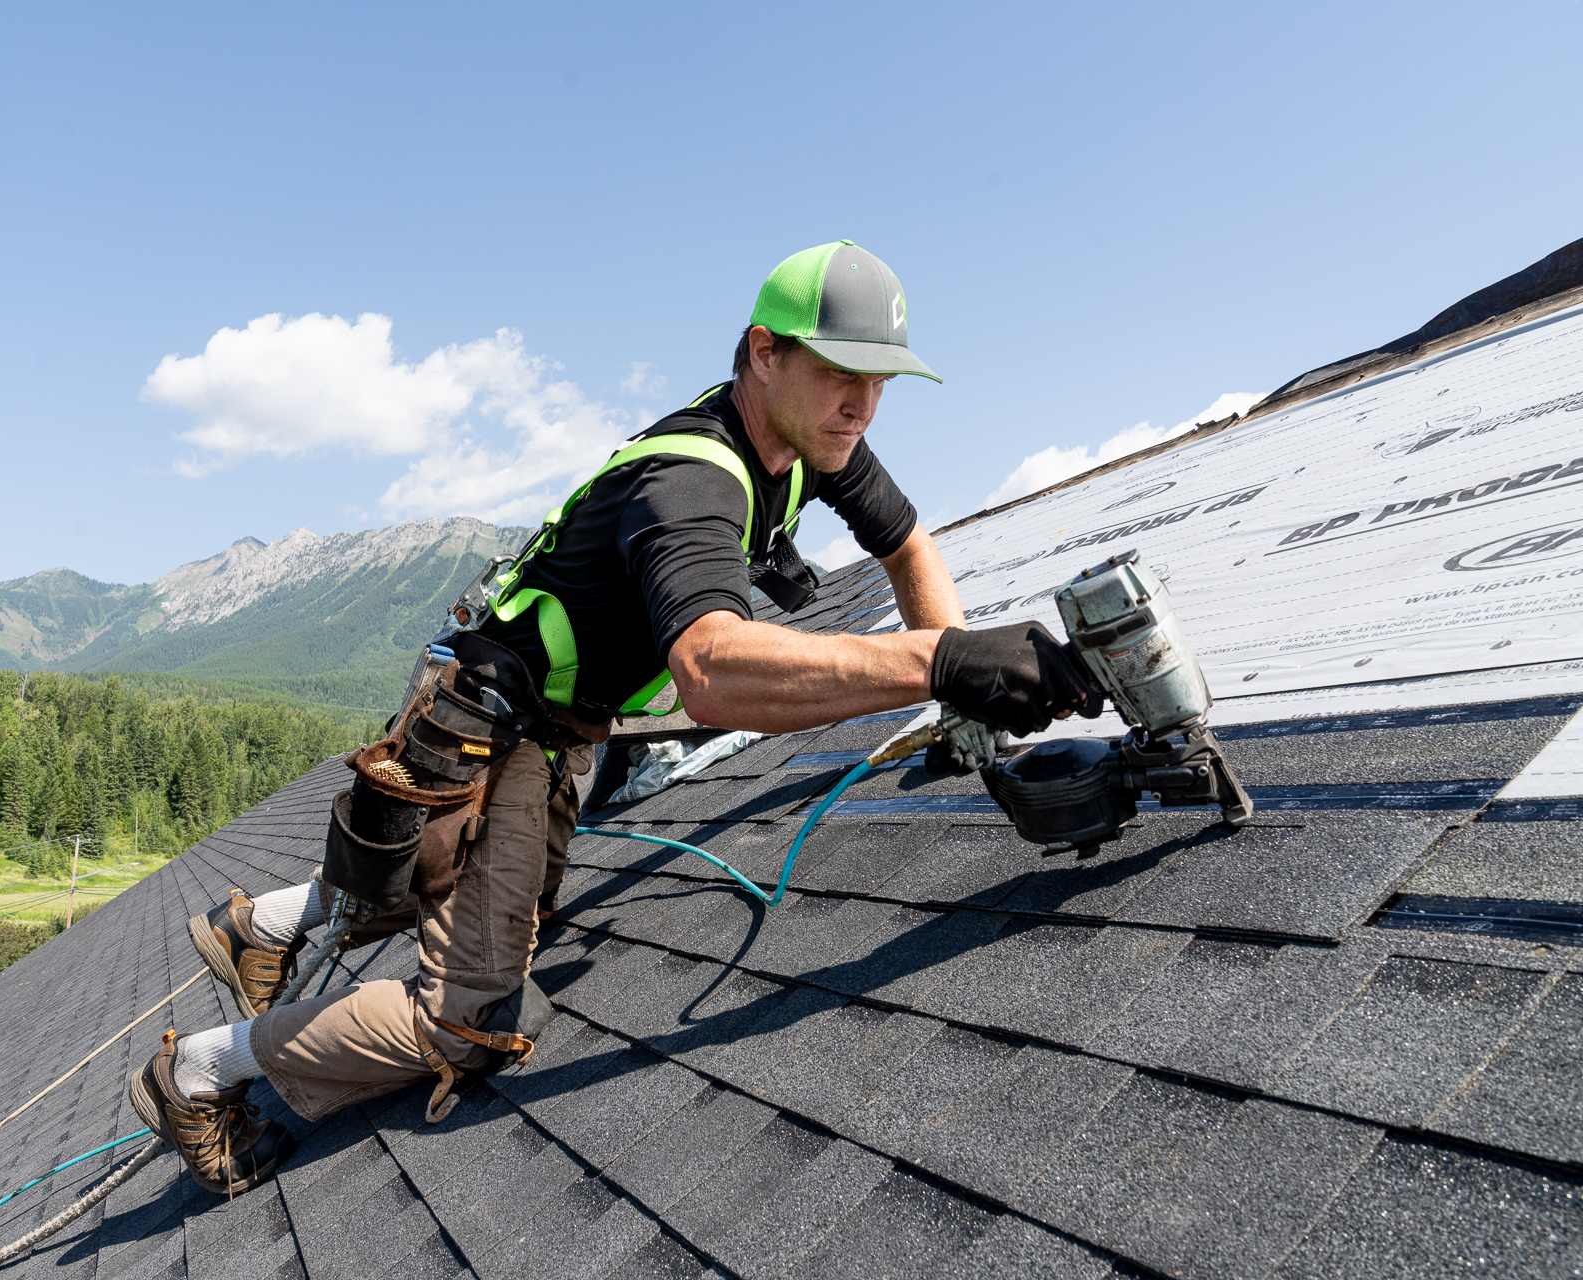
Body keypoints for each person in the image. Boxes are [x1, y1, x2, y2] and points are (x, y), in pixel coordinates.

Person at [128, 241, 1100, 1193]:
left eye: (881, 381)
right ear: (765, 351)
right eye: (844, 373)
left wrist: (964, 698)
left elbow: (910, 543)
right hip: (485, 723)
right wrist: (942, 661)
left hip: (543, 729)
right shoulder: (692, 479)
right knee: (470, 1016)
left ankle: (263, 925)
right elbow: (711, 667)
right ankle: (198, 1071)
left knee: (483, 897)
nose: (864, 404)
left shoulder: (813, 437)